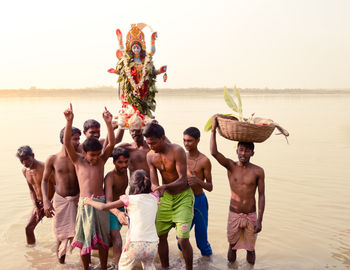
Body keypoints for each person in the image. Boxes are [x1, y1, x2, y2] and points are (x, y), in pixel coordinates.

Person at [63, 103, 115, 270]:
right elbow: (67, 143)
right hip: (84, 203)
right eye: (92, 155)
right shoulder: (78, 161)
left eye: (98, 154)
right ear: (84, 153)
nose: (95, 158)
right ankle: (86, 268)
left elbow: (111, 144)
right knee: (85, 238)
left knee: (103, 239)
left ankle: (104, 267)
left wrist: (108, 123)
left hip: (101, 203)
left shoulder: (100, 161)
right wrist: (69, 121)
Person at [210, 115, 265, 265]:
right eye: (241, 150)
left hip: (251, 215)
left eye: (247, 151)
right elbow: (214, 153)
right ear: (237, 151)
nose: (243, 154)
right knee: (232, 246)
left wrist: (260, 219)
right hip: (234, 213)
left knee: (251, 249)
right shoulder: (231, 166)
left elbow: (261, 196)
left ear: (252, 153)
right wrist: (213, 129)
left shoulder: (258, 171)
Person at [84, 169, 159, 270]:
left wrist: (89, 201)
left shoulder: (129, 199)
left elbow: (104, 207)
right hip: (153, 244)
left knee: (123, 267)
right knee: (148, 266)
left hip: (135, 244)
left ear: (132, 185)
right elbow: (158, 190)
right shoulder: (155, 198)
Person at [143, 122, 194, 270]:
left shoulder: (177, 150)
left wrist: (165, 186)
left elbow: (183, 178)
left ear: (163, 138)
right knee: (160, 237)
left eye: (153, 143)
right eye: (148, 143)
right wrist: (155, 189)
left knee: (183, 239)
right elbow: (154, 182)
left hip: (182, 197)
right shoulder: (150, 156)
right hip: (165, 198)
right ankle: (165, 267)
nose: (151, 146)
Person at [41, 126, 81, 263]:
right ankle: (61, 264)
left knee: (81, 234)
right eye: (75, 139)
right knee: (60, 236)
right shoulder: (52, 159)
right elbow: (45, 180)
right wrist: (46, 201)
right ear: (65, 140)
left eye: (78, 139)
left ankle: (84, 264)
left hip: (77, 200)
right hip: (60, 201)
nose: (78, 142)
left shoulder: (79, 158)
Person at [178, 127, 213, 256]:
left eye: (190, 141)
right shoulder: (181, 157)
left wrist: (198, 181)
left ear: (198, 140)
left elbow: (210, 187)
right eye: (184, 140)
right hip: (184, 201)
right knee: (180, 240)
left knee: (202, 243)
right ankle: (187, 261)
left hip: (199, 202)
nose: (186, 144)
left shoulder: (204, 161)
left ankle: (208, 264)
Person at [16, 145, 55, 245]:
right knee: (28, 228)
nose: (25, 162)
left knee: (61, 231)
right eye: (22, 160)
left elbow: (59, 186)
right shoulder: (25, 171)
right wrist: (35, 206)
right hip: (39, 203)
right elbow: (31, 190)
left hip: (53, 202)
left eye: (27, 159)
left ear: (33, 156)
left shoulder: (44, 167)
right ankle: (32, 253)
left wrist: (50, 203)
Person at [104, 147, 130, 267]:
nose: (124, 165)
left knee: (111, 241)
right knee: (117, 239)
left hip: (121, 208)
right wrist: (118, 213)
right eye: (120, 162)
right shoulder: (110, 177)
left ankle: (113, 261)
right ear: (114, 162)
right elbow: (108, 201)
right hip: (111, 209)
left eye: (126, 162)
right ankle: (119, 267)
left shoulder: (126, 172)